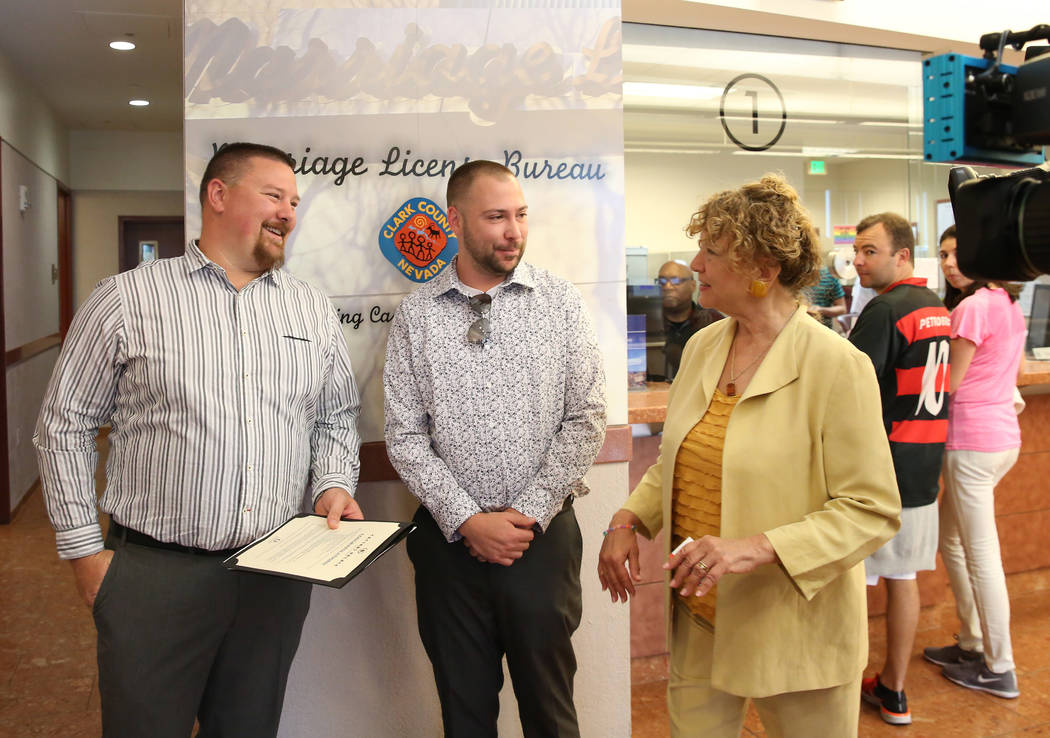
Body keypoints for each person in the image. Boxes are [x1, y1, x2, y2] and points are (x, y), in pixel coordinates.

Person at [33, 142, 363, 738]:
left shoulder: (309, 309)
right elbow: (64, 425)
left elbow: (336, 414)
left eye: (294, 201)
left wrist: (334, 483)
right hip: (153, 578)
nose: (289, 212)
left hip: (273, 577)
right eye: (273, 195)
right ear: (218, 194)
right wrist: (84, 554)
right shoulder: (126, 299)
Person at [597, 174, 900, 738]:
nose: (695, 264)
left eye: (712, 252)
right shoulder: (705, 345)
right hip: (700, 619)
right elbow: (680, 457)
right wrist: (628, 518)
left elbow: (871, 508)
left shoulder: (837, 366)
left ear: (764, 270)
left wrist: (753, 549)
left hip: (794, 630)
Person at [383, 160, 607, 738]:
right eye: (496, 217)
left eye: (521, 215)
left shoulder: (559, 303)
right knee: (465, 715)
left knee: (550, 712)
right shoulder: (417, 314)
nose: (514, 231)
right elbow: (405, 436)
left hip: (541, 541)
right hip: (449, 551)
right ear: (455, 221)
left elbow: (585, 419)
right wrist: (468, 521)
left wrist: (524, 514)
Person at [849, 211, 951, 725]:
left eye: (870, 250)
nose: (858, 259)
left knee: (855, 582)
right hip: (923, 463)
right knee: (903, 576)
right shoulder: (936, 307)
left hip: (882, 465)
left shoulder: (887, 310)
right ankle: (894, 688)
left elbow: (847, 389)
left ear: (902, 255)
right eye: (857, 250)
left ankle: (842, 689)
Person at [923, 225, 1025, 699]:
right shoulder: (1006, 304)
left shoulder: (971, 307)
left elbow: (951, 384)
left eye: (957, 253)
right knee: (953, 542)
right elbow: (1012, 372)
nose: (947, 262)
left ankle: (999, 666)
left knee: (981, 555)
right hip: (1000, 438)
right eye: (943, 254)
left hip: (971, 444)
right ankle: (971, 643)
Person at [657, 259, 722, 380]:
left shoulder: (712, 322)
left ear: (692, 286)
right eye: (661, 281)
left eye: (675, 280)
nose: (667, 286)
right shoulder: (649, 323)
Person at [806, 265, 846, 329]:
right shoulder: (792, 276)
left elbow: (842, 309)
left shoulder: (830, 276)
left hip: (823, 329)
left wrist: (821, 310)